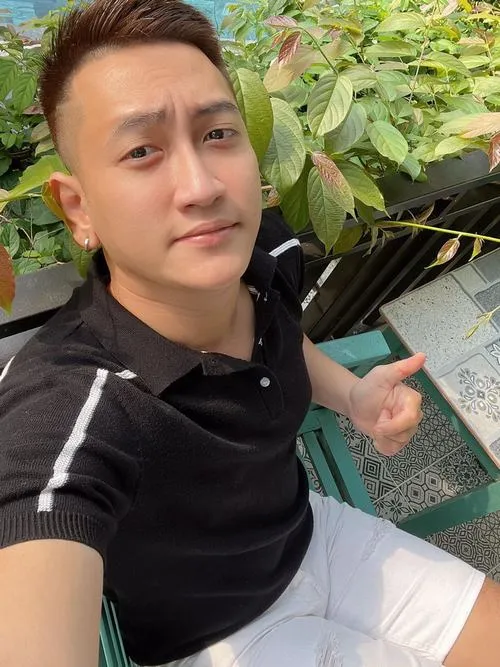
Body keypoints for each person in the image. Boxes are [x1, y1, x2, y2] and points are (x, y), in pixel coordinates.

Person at [0, 0, 498, 665]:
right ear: (79, 206)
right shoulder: (72, 404)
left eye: (217, 133)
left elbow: (281, 334)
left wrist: (352, 396)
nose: (201, 186)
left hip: (314, 535)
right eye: (141, 150)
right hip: (218, 636)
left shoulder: (269, 254)